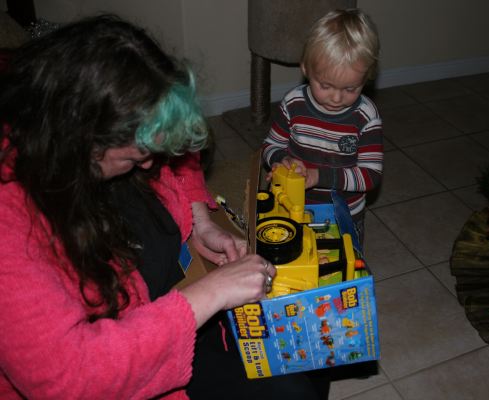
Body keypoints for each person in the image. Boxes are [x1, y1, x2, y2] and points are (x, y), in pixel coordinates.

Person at [0, 15, 328, 399]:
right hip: (130, 354)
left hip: (173, 302)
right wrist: (210, 293)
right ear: (84, 142)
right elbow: (70, 377)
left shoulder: (118, 140)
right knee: (290, 392)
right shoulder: (11, 225)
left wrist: (199, 220)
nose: (149, 166)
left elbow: (180, 153)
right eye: (137, 156)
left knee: (311, 349)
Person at [262, 8, 383, 247]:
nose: (336, 98)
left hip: (345, 215)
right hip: (294, 208)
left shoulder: (366, 116)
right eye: (325, 86)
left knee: (343, 264)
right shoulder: (293, 104)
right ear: (306, 68)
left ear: (366, 77)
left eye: (350, 89)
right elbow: (270, 145)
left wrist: (319, 177)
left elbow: (371, 176)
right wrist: (280, 159)